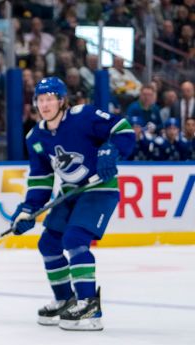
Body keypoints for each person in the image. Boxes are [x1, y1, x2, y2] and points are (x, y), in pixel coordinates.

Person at [12, 77, 135, 331]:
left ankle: (89, 305)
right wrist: (28, 209)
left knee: (75, 239)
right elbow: (41, 179)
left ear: (62, 100)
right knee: (48, 243)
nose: (45, 104)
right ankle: (65, 299)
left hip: (99, 190)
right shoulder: (35, 136)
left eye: (50, 99)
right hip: (70, 193)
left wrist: (111, 150)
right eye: (40, 100)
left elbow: (123, 129)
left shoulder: (84, 116)